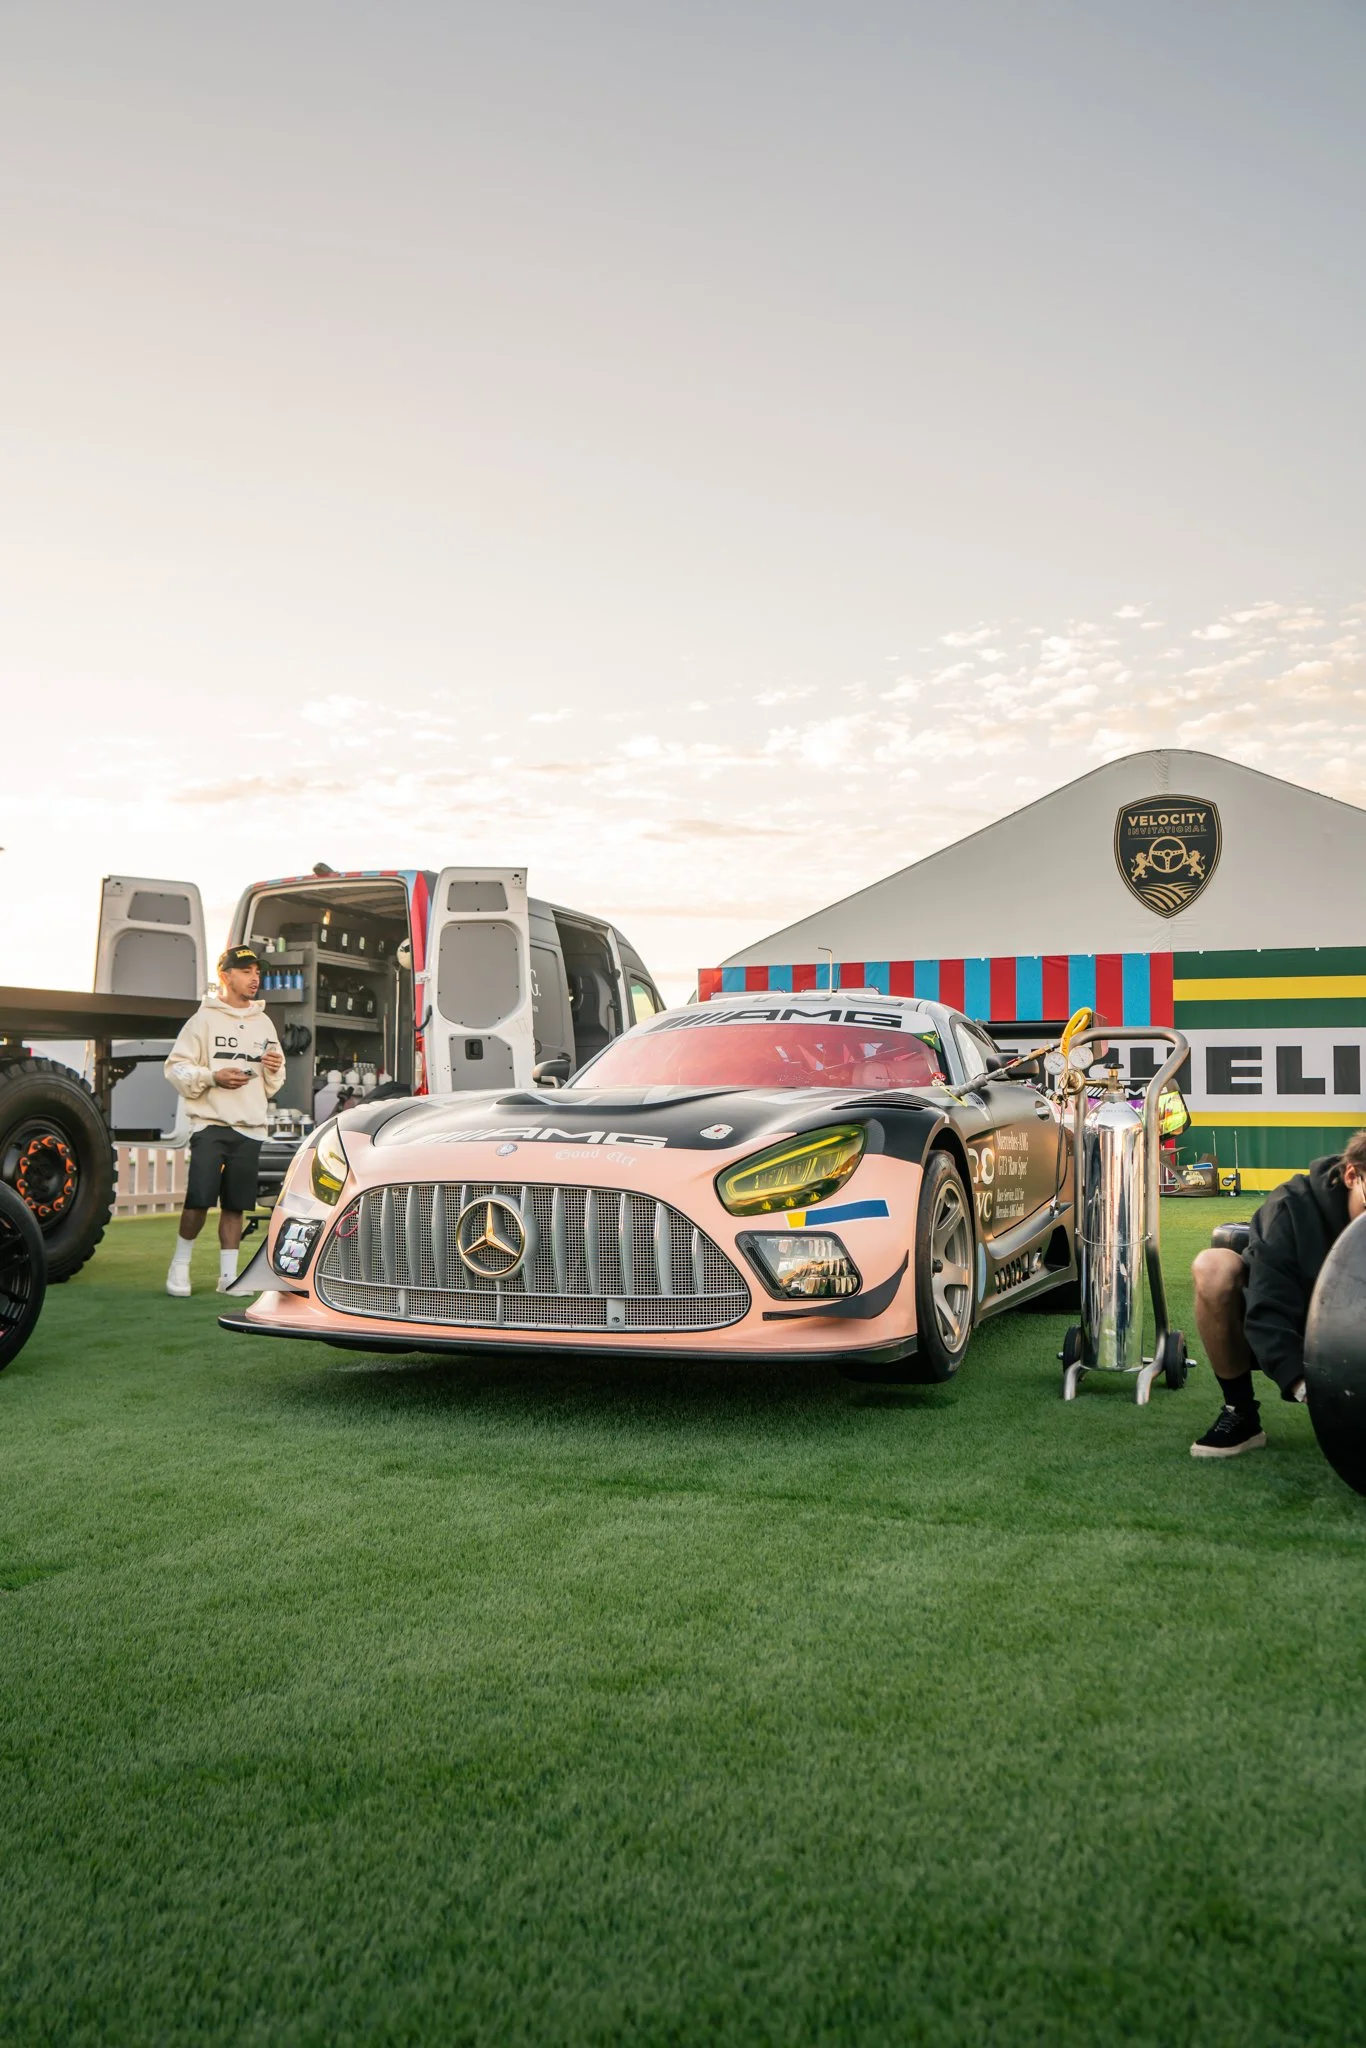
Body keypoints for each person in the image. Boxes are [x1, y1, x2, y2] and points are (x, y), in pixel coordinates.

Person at [1189, 1131, 1366, 1457]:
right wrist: (1302, 1384)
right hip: (1298, 1327)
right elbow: (1268, 1304)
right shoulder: (1291, 1208)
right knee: (1213, 1267)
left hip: (1357, 1332)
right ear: (1352, 1176)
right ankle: (1239, 1412)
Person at [163, 945, 286, 1296]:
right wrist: (213, 1077)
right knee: (199, 1199)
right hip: (210, 1124)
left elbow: (275, 1080)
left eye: (257, 971)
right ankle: (179, 1267)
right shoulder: (202, 1020)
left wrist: (274, 1069)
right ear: (226, 975)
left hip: (250, 1126)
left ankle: (228, 1277)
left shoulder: (264, 1022)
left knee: (236, 1204)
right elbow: (176, 1068)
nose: (254, 977)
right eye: (246, 971)